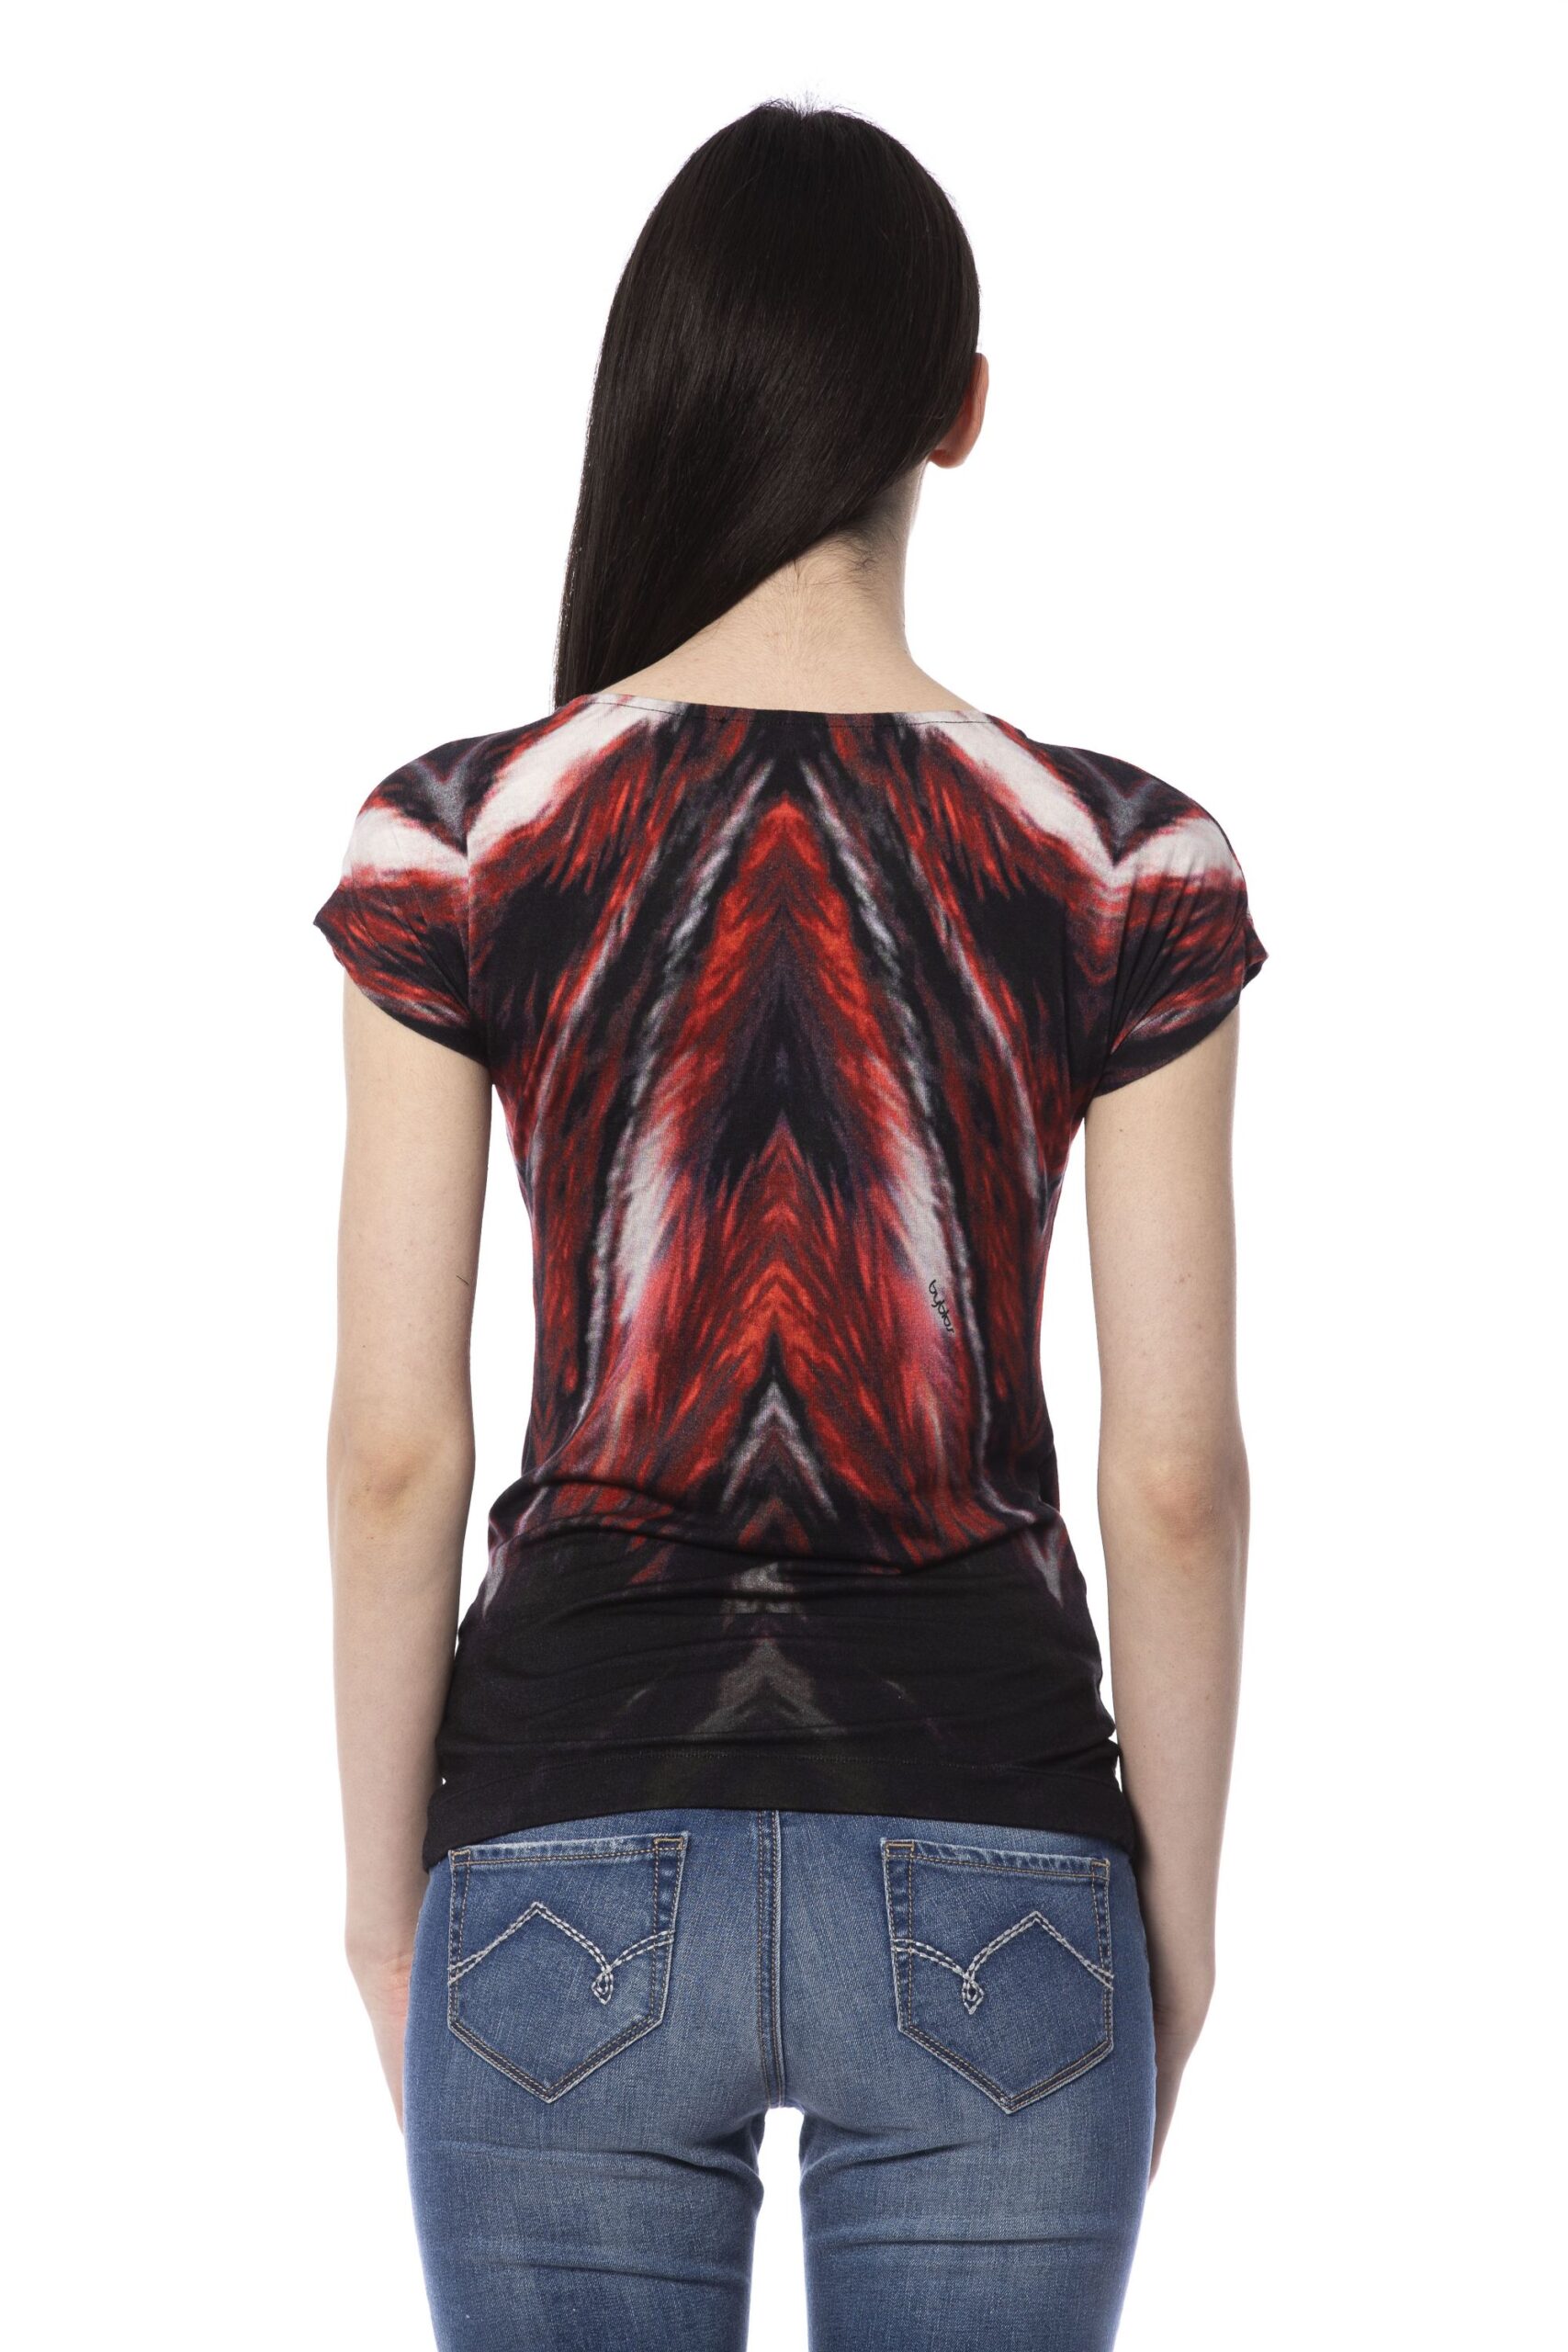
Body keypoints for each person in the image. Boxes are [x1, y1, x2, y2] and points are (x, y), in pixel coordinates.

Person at [313, 97, 1266, 2352]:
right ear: (955, 408)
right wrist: (1178, 1928)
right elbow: (1174, 1476)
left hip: (555, 1841)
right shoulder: (1122, 859)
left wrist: (379, 1909)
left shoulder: (460, 836)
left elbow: (391, 1449)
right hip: (998, 1850)